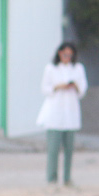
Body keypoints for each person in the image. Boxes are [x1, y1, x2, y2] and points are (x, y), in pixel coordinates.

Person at [40, 42, 87, 187]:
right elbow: (45, 89)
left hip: (71, 115)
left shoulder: (78, 69)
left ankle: (67, 178)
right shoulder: (51, 69)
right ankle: (51, 178)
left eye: (70, 55)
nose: (67, 57)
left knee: (69, 150)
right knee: (53, 149)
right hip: (54, 115)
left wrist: (75, 86)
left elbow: (83, 90)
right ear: (59, 53)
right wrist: (58, 86)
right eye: (64, 54)